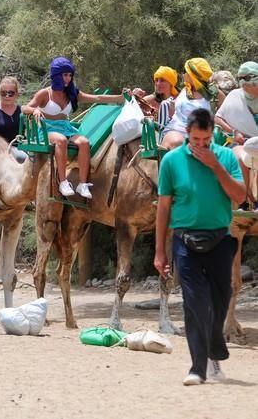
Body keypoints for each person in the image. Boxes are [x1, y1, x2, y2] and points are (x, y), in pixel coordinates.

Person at [154, 108, 245, 386]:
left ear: (212, 135)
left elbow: (240, 197)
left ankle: (214, 346)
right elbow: (163, 208)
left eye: (206, 140)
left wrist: (215, 165)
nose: (201, 145)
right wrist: (160, 251)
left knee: (219, 301)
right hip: (185, 241)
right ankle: (197, 367)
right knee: (195, 303)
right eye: (196, 140)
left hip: (220, 240)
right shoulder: (171, 161)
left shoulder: (226, 157)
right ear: (187, 135)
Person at [21, 56, 131, 199]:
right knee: (61, 141)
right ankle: (63, 182)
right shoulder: (45, 93)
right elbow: (24, 107)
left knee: (84, 142)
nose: (68, 78)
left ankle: (82, 184)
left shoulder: (72, 93)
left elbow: (97, 98)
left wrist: (121, 97)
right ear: (57, 75)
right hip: (47, 128)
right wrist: (34, 110)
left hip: (65, 127)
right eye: (65, 75)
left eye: (70, 75)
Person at [215, 61, 258, 210]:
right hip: (239, 142)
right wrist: (235, 132)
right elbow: (218, 118)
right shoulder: (235, 95)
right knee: (240, 157)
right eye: (241, 78)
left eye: (248, 77)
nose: (243, 82)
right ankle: (245, 201)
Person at [161, 58, 227, 150]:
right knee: (178, 143)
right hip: (176, 131)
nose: (182, 74)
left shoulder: (215, 93)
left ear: (193, 74)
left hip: (203, 135)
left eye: (185, 71)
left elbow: (227, 116)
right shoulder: (185, 90)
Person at [142, 66, 179, 130]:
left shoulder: (180, 101)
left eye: (162, 80)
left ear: (171, 83)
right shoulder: (147, 101)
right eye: (156, 80)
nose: (158, 83)